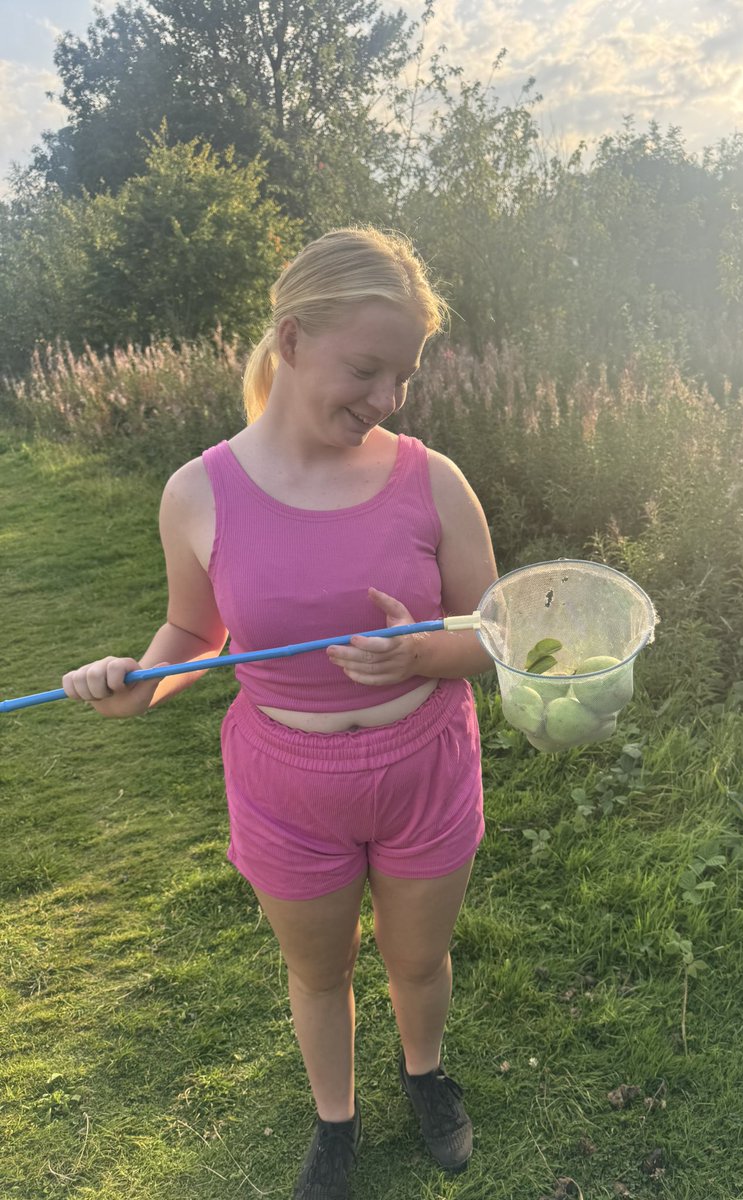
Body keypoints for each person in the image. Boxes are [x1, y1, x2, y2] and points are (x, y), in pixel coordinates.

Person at [61, 227, 499, 1200]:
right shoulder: (196, 493)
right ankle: (335, 1123)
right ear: (293, 340)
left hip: (426, 765)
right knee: (320, 971)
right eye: (367, 370)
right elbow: (194, 631)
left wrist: (417, 654)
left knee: (418, 959)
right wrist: (143, 681)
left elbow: (496, 633)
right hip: (287, 788)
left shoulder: (432, 479)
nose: (387, 399)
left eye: (403, 376)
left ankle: (425, 1075)